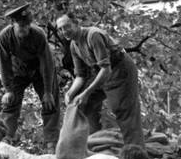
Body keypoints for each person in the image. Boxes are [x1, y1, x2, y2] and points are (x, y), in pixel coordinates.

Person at [56, 14, 143, 148]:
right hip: (100, 72)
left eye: (66, 27)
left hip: (120, 70)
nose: (64, 32)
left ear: (76, 23)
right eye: (60, 29)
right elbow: (80, 75)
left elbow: (106, 69)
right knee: (82, 104)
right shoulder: (74, 45)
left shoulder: (93, 35)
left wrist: (86, 93)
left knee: (123, 110)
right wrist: (70, 93)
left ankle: (135, 152)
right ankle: (94, 144)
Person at [0, 4, 59, 147]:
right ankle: (6, 139)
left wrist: (48, 91)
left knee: (50, 102)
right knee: (10, 101)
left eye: (27, 25)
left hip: (40, 70)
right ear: (13, 24)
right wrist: (8, 89)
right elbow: (4, 63)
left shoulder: (38, 34)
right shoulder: (5, 36)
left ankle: (51, 142)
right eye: (21, 25)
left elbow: (47, 63)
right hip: (18, 70)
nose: (25, 28)